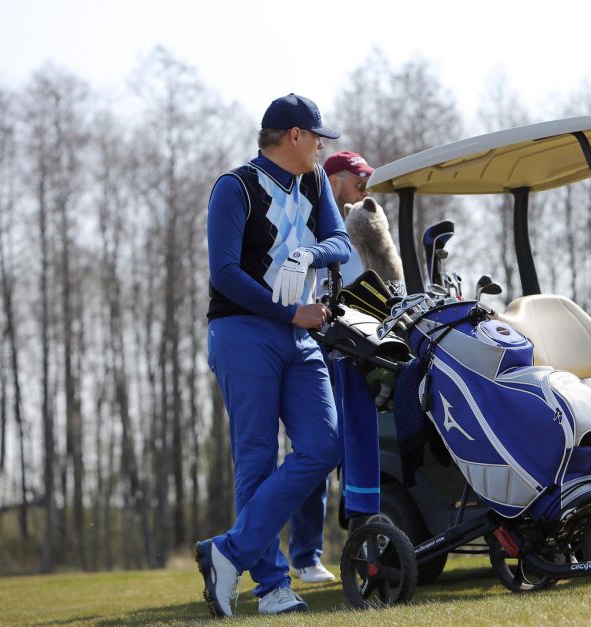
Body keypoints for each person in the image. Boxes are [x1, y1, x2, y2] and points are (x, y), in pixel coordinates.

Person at [195, 93, 351, 618]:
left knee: (323, 445)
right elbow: (224, 274)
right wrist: (290, 314)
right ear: (295, 137)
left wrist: (310, 252)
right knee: (257, 459)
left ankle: (228, 552)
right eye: (318, 139)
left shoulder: (313, 183)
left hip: (298, 336)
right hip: (243, 333)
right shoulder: (234, 187)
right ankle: (271, 587)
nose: (323, 149)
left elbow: (341, 242)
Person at [286, 150, 376, 585]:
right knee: (317, 447)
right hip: (317, 346)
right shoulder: (309, 225)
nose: (364, 193)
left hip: (360, 349)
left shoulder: (361, 230)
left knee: (354, 444)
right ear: (335, 180)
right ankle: (304, 555)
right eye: (358, 183)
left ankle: (366, 538)